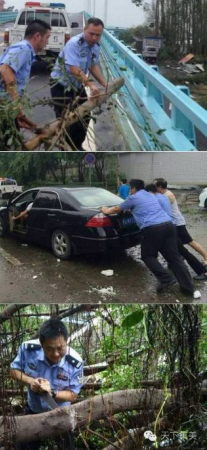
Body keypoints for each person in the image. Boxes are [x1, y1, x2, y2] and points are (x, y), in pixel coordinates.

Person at [100, 179, 198, 297]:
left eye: (130, 188)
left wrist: (105, 210)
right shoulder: (150, 195)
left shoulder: (134, 197)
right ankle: (188, 288)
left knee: (148, 255)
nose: (129, 190)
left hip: (153, 228)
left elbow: (116, 209)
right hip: (168, 225)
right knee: (174, 257)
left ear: (134, 188)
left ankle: (166, 278)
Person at [10, 318, 83, 450]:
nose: (55, 354)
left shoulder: (75, 362)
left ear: (66, 342)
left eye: (60, 348)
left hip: (61, 413)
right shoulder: (28, 350)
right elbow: (13, 370)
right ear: (41, 344)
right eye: (49, 349)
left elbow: (73, 395)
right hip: (34, 410)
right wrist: (31, 381)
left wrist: (52, 393)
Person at [50, 17, 108, 150]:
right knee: (66, 121)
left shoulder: (95, 47)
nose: (94, 38)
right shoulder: (74, 44)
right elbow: (74, 69)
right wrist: (91, 85)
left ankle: (77, 146)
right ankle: (66, 148)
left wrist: (105, 84)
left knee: (85, 115)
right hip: (61, 85)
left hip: (76, 85)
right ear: (84, 29)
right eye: (91, 33)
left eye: (98, 35)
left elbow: (93, 66)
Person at [0, 20, 51, 130]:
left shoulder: (27, 50)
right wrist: (17, 105)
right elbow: (5, 69)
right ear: (37, 36)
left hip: (2, 105)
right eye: (47, 37)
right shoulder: (24, 48)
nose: (47, 42)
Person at [145, 184, 207, 281]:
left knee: (182, 250)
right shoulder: (163, 197)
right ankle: (199, 270)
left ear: (149, 192)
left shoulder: (157, 199)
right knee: (180, 251)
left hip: (167, 228)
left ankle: (201, 271)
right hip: (170, 227)